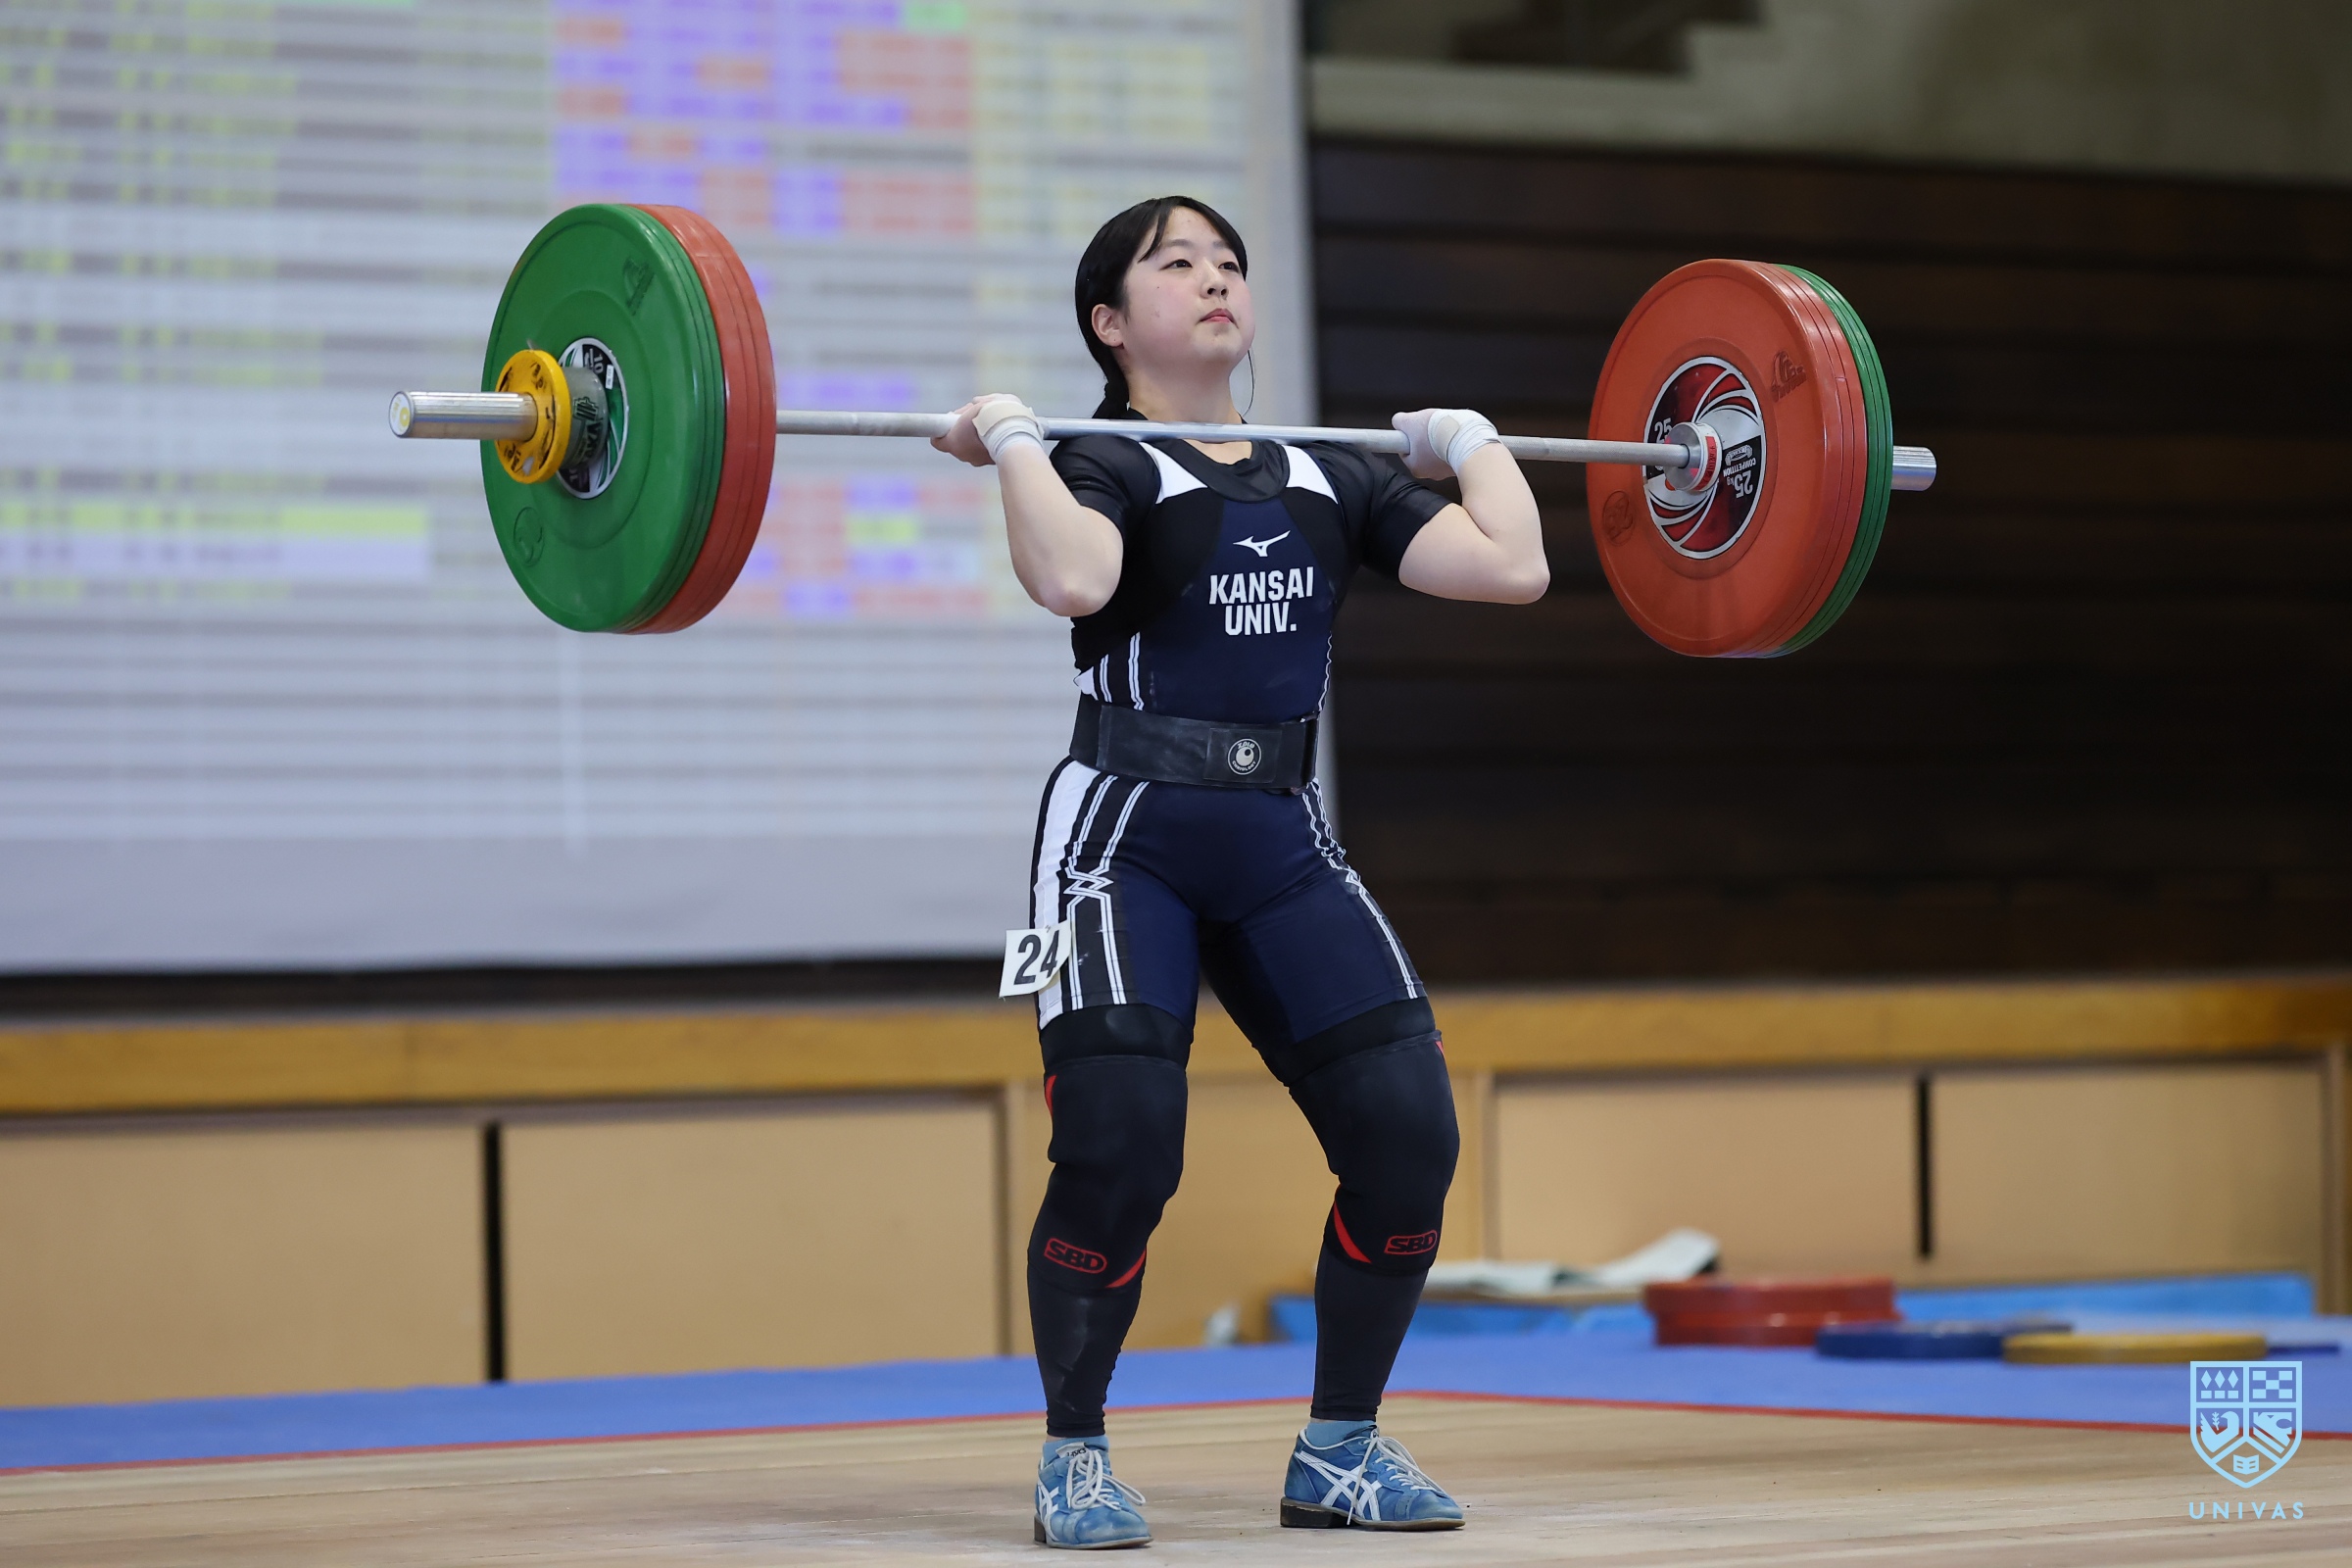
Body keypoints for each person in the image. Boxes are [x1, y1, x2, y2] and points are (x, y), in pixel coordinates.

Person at [933, 195, 1544, 1549]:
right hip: (1123, 838)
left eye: (1229, 262)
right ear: (1110, 322)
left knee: (1409, 1139)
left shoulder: (1328, 472)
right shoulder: (1105, 460)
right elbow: (1074, 580)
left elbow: (1513, 565)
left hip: (1278, 838)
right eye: (1177, 264)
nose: (1215, 279)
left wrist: (1473, 444)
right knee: (1122, 1147)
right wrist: (1021, 441)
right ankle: (1075, 1457)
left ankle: (1341, 1450)